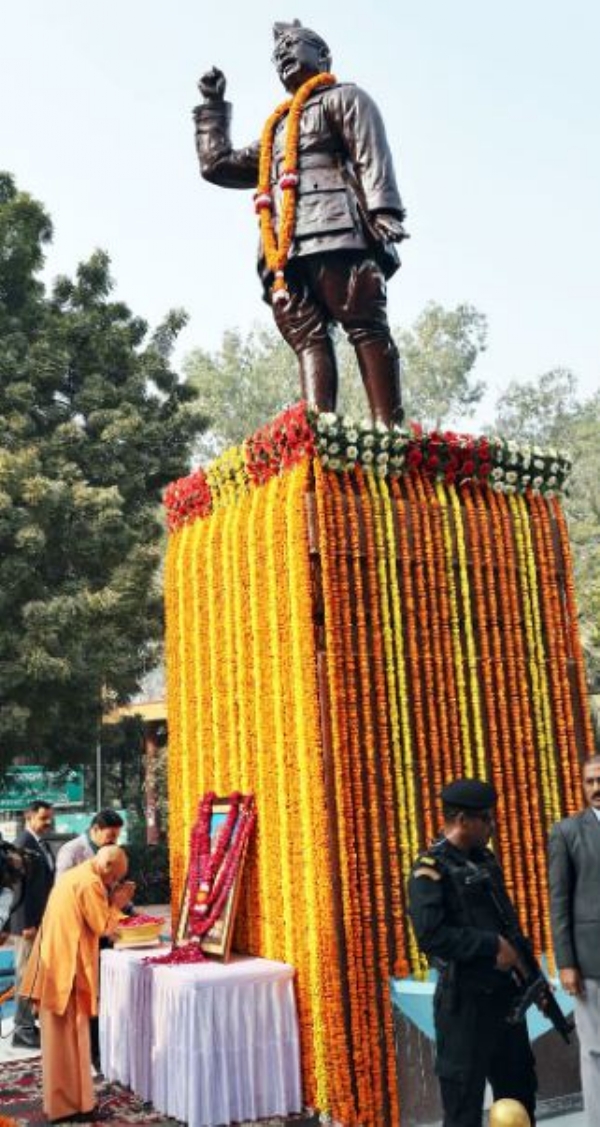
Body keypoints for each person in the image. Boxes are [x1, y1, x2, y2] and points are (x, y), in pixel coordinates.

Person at [194, 20, 408, 426]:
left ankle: (391, 434)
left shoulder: (345, 98)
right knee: (307, 338)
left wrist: (384, 210)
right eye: (278, 55)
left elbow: (370, 153)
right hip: (284, 250)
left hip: (338, 230)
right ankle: (318, 435)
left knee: (364, 325)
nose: (284, 56)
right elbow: (217, 165)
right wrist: (213, 107)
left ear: (323, 55)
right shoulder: (276, 129)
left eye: (293, 46)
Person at [407, 778, 537, 1127]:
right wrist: (488, 945)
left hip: (505, 1001)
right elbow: (431, 936)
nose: (491, 826)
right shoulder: (429, 870)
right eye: (486, 819)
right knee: (464, 1106)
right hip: (464, 1005)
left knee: (519, 1098)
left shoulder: (486, 860)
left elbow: (508, 925)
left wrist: (531, 976)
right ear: (462, 820)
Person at [20, 845, 135, 1124]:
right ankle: (70, 1106)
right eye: (116, 878)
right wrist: (117, 903)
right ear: (107, 867)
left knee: (63, 1041)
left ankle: (71, 1102)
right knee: (70, 1038)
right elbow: (104, 927)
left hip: (55, 965)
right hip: (65, 972)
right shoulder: (90, 882)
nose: (114, 884)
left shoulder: (76, 875)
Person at [548, 754, 600, 1119]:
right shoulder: (566, 832)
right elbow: (559, 901)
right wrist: (565, 962)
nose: (597, 788)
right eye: (590, 782)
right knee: (596, 1051)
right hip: (591, 961)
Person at [55, 808, 125, 1071]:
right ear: (94, 829)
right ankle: (89, 1055)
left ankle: (102, 1050)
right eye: (109, 839)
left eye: (116, 840)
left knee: (102, 994)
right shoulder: (71, 852)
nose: (112, 844)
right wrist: (114, 906)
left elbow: (113, 889)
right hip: (78, 935)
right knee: (86, 998)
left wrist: (127, 910)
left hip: (100, 930)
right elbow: (66, 897)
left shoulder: (109, 854)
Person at [9, 799, 55, 1049]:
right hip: (27, 925)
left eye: (50, 818)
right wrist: (26, 923)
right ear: (29, 818)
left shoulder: (41, 844)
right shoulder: (21, 845)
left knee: (34, 974)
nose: (48, 823)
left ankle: (28, 1025)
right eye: (43, 818)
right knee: (25, 975)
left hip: (41, 922)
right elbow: (18, 888)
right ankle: (23, 1030)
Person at [55, 809, 124, 877]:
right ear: (96, 829)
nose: (114, 841)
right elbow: (61, 885)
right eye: (110, 836)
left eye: (117, 837)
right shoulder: (71, 850)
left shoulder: (110, 851)